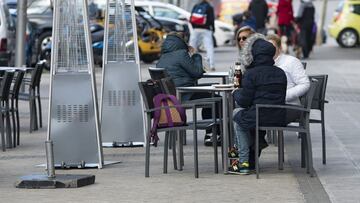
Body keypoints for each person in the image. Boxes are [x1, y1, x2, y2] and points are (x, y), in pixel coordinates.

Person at [230, 33, 287, 174]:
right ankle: (247, 152)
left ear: (253, 54)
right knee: (245, 117)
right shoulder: (280, 73)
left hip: (259, 115)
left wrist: (236, 92)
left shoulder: (251, 74)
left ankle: (242, 160)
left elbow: (244, 101)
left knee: (237, 115)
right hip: (279, 116)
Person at [156, 32, 220, 146]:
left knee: (209, 94)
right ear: (181, 42)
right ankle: (213, 134)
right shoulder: (181, 54)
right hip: (184, 95)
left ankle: (212, 133)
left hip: (171, 99)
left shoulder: (162, 58)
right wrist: (195, 55)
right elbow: (197, 72)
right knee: (217, 99)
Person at [267, 34, 310, 122]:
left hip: (289, 106)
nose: (269, 50)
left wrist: (284, 96)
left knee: (250, 117)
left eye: (272, 47)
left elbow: (305, 84)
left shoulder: (291, 61)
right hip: (268, 105)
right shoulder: (262, 63)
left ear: (280, 48)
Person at [189, 0, 216, 71]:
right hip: (206, 29)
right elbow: (211, 19)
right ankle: (211, 64)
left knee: (192, 47)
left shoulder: (196, 5)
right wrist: (213, 29)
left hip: (196, 29)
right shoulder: (209, 7)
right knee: (209, 47)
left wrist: (194, 27)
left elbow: (191, 18)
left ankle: (189, 63)